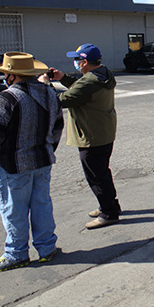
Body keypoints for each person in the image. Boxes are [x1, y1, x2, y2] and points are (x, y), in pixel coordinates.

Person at [0, 52, 64, 272]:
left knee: (14, 211)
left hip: (13, 166)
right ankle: (47, 249)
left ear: (12, 75)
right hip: (42, 162)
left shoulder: (6, 98)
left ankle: (16, 253)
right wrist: (47, 150)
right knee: (42, 207)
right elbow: (57, 128)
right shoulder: (49, 93)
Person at [41, 44, 120, 230]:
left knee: (96, 175)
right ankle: (109, 204)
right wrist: (64, 78)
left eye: (77, 60)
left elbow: (60, 100)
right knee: (102, 172)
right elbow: (82, 89)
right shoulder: (103, 73)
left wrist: (46, 84)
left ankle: (109, 213)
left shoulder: (90, 81)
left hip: (92, 135)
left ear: (84, 62)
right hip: (103, 131)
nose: (76, 63)